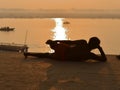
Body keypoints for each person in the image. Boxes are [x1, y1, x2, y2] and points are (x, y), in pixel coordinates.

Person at [24, 37, 107, 62]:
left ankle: (53, 44)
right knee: (47, 55)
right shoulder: (89, 55)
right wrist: (100, 49)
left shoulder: (83, 42)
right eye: (97, 45)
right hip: (64, 56)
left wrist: (58, 40)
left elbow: (70, 42)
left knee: (47, 54)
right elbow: (104, 59)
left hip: (64, 49)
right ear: (95, 46)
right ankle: (29, 54)